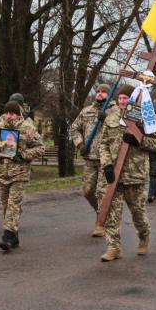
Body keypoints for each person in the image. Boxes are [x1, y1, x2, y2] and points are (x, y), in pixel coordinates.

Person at [98, 84, 156, 261]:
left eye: (126, 98)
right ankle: (113, 247)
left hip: (135, 174)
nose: (123, 101)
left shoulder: (143, 116)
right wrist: (107, 165)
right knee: (112, 212)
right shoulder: (111, 117)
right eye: (121, 98)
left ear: (131, 99)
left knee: (137, 213)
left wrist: (138, 139)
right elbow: (103, 145)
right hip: (114, 175)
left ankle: (144, 236)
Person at [0, 101, 45, 252]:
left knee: (13, 204)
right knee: (6, 204)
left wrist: (23, 155)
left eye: (12, 113)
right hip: (1, 174)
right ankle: (14, 236)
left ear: (18, 114)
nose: (9, 116)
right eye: (7, 113)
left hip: (19, 174)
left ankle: (7, 236)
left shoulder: (27, 128)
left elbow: (40, 148)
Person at [70, 84, 116, 236]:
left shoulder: (116, 111)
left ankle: (100, 223)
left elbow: (121, 129)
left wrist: (108, 118)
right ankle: (100, 212)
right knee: (88, 191)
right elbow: (74, 128)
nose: (100, 94)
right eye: (98, 91)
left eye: (103, 92)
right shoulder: (86, 111)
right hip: (90, 158)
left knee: (102, 192)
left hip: (107, 158)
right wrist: (80, 143)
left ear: (109, 94)